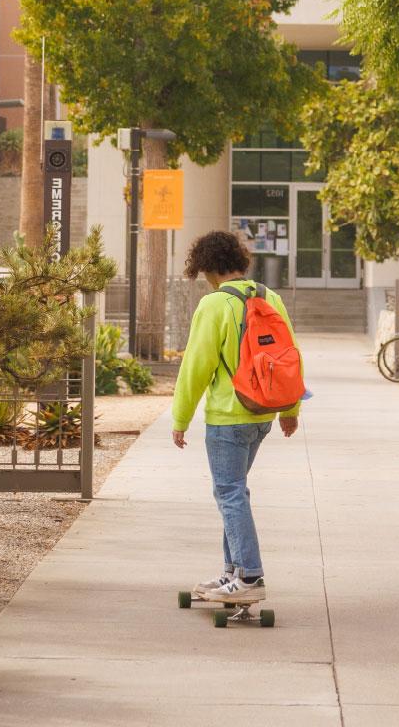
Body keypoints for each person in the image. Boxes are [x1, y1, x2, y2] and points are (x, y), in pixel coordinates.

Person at [171, 230, 300, 605]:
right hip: (263, 414)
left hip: (228, 417)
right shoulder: (269, 297)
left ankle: (249, 575)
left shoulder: (214, 306)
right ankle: (232, 572)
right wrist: (290, 409)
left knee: (229, 493)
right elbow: (290, 354)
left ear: (207, 267)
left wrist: (180, 418)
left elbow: (195, 368)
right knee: (234, 492)